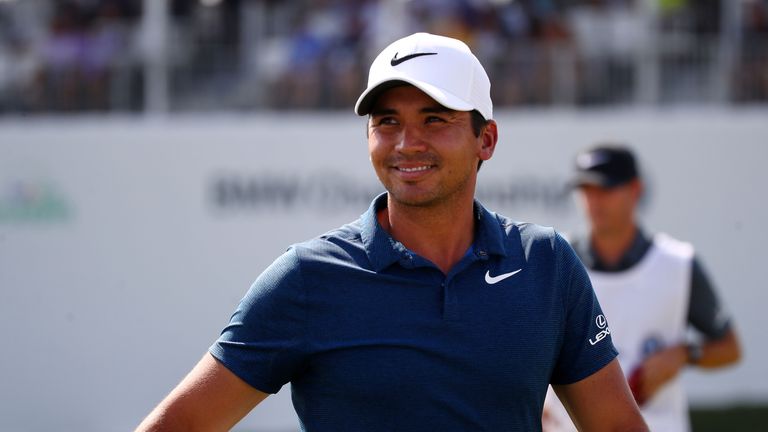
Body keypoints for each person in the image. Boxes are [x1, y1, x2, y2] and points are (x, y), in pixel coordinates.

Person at [136, 33, 648, 432]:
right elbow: (180, 424)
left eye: (434, 119)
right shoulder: (308, 278)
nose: (407, 143)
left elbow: (617, 426)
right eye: (387, 121)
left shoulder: (547, 263)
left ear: (485, 139)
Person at [543, 145, 742, 432]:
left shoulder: (678, 263)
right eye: (585, 190)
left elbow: (730, 348)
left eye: (605, 189)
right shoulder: (554, 260)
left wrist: (685, 354)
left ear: (636, 190)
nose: (593, 201)